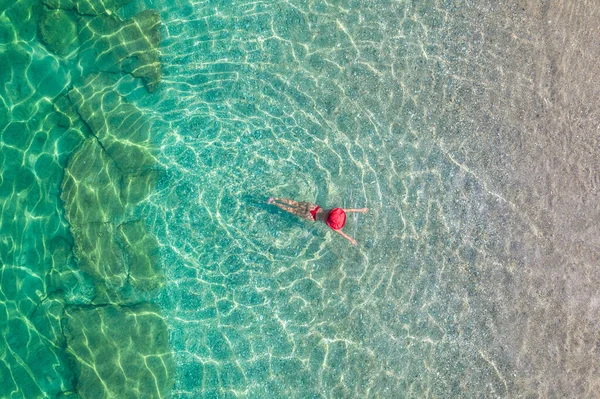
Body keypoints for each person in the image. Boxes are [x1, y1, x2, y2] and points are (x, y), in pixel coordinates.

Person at [268, 197, 368, 246]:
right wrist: (351, 240)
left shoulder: (334, 210)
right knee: (292, 210)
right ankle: (274, 203)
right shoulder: (332, 226)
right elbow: (343, 234)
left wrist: (361, 210)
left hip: (313, 207)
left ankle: (275, 198)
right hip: (311, 216)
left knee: (295, 203)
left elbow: (349, 210)